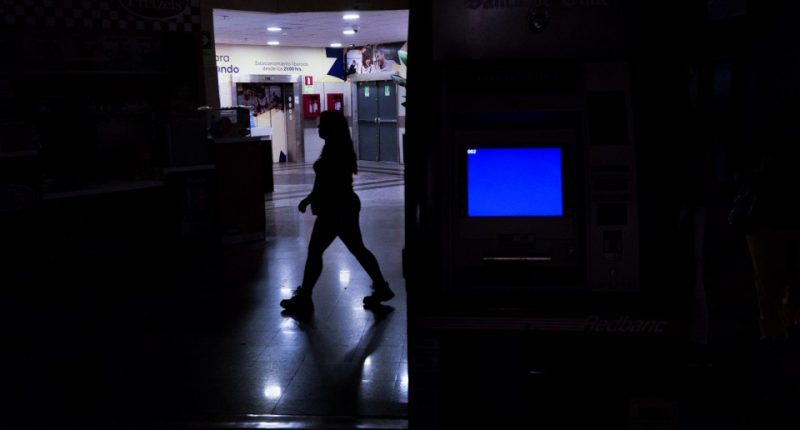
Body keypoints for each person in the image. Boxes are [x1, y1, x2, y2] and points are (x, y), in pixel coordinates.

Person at [280, 110, 394, 314]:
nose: (318, 128)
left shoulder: (335, 150)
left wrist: (313, 199)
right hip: (342, 206)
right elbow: (324, 181)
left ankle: (305, 298)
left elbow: (329, 182)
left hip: (337, 209)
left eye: (322, 125)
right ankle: (381, 288)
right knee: (355, 249)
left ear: (332, 128)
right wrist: (310, 198)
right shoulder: (335, 146)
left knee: (319, 251)